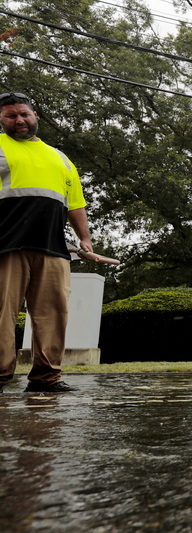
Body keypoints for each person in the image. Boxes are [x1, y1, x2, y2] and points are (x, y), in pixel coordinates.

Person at [0, 92, 92, 393]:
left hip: (53, 247)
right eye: (11, 115)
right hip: (6, 245)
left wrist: (85, 237)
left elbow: (75, 203)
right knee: (3, 312)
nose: (19, 120)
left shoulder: (61, 158)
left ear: (35, 116)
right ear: (2, 120)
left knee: (53, 313)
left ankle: (46, 377)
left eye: (23, 114)